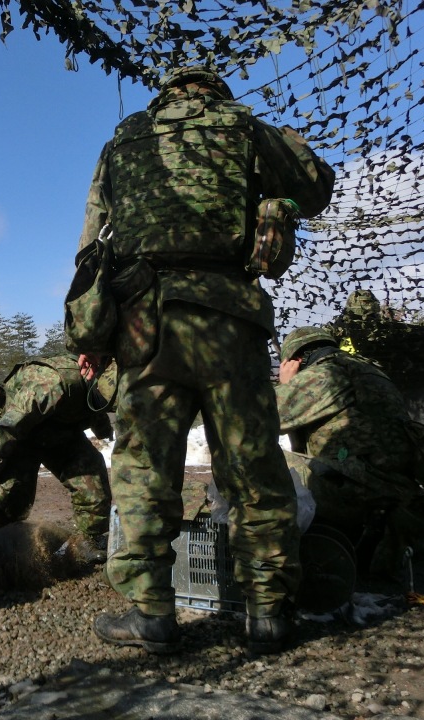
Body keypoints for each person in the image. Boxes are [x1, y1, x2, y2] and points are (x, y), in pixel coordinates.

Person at [78, 65, 335, 654]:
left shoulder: (123, 140)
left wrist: (94, 335)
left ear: (167, 92)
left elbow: (92, 244)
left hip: (146, 323)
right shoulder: (246, 127)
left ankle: (152, 614)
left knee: (144, 468)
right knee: (252, 464)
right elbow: (315, 189)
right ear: (216, 91)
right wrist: (280, 177)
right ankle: (267, 613)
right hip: (231, 323)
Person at [276, 326, 424, 581]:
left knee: (260, 460)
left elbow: (264, 419)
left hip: (361, 492)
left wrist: (287, 385)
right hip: (391, 489)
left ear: (296, 359)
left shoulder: (324, 374)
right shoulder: (370, 371)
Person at [0, 355, 115, 558]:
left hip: (61, 432)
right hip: (24, 433)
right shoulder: (50, 386)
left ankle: (89, 542)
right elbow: (8, 428)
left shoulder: (96, 382)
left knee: (92, 479)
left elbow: (95, 406)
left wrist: (104, 431)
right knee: (11, 496)